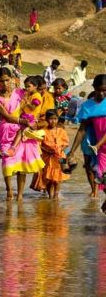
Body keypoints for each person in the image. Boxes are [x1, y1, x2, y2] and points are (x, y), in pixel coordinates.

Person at [0, 68, 45, 201]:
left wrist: (34, 118)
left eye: (7, 80)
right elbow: (7, 116)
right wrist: (24, 121)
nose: (5, 83)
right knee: (7, 162)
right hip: (6, 131)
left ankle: (20, 195)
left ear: (12, 79)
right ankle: (9, 190)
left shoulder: (20, 92)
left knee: (22, 164)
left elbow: (35, 99)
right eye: (2, 81)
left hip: (23, 130)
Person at [65, 75, 106, 211]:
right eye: (99, 90)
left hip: (100, 144)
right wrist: (72, 152)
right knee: (102, 178)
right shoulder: (87, 106)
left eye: (105, 90)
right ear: (94, 88)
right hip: (100, 149)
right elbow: (82, 130)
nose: (101, 93)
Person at [6, 76, 42, 156]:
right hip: (25, 117)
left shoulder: (37, 96)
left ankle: (13, 148)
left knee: (20, 132)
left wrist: (26, 100)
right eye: (26, 86)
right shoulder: (29, 95)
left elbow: (33, 108)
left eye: (29, 86)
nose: (27, 88)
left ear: (35, 86)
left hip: (31, 119)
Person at [37, 110, 70, 199]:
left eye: (55, 119)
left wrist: (60, 149)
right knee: (49, 178)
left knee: (58, 178)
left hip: (59, 157)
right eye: (51, 119)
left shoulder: (61, 130)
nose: (53, 121)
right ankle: (50, 195)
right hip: (47, 158)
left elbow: (66, 143)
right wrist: (47, 151)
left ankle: (56, 194)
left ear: (58, 119)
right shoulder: (43, 131)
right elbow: (38, 145)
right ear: (46, 120)